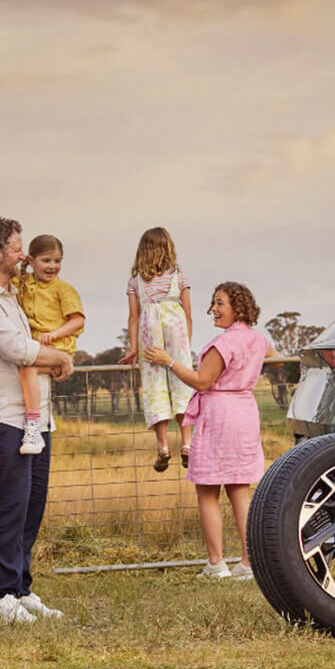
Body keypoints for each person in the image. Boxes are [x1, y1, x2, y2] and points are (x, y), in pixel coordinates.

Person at [0, 217, 75, 624]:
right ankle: (1, 597)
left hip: (37, 416)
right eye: (15, 247)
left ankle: (22, 588)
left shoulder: (10, 296)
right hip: (5, 417)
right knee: (11, 504)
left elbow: (30, 349)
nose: (22, 254)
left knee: (32, 505)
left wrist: (51, 362)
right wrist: (59, 358)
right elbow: (15, 348)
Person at [145, 282, 277, 580]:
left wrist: (169, 361)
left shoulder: (224, 344)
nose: (213, 310)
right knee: (240, 489)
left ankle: (216, 563)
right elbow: (275, 358)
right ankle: (248, 562)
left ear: (238, 307)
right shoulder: (258, 340)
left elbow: (202, 382)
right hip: (245, 412)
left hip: (219, 416)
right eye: (213, 303)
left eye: (220, 304)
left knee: (207, 490)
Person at [119, 227, 195, 472]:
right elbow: (188, 314)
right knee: (182, 383)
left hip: (149, 331)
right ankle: (186, 443)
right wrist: (186, 344)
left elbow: (133, 316)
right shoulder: (179, 277)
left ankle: (162, 446)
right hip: (177, 329)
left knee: (155, 388)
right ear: (168, 249)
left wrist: (133, 347)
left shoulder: (136, 281)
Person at [14, 234, 85, 456]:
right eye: (46, 260)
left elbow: (78, 320)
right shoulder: (24, 283)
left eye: (57, 261)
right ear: (32, 260)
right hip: (38, 348)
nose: (53, 266)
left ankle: (33, 429)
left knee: (28, 368)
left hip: (58, 348)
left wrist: (53, 334)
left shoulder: (63, 289)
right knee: (25, 368)